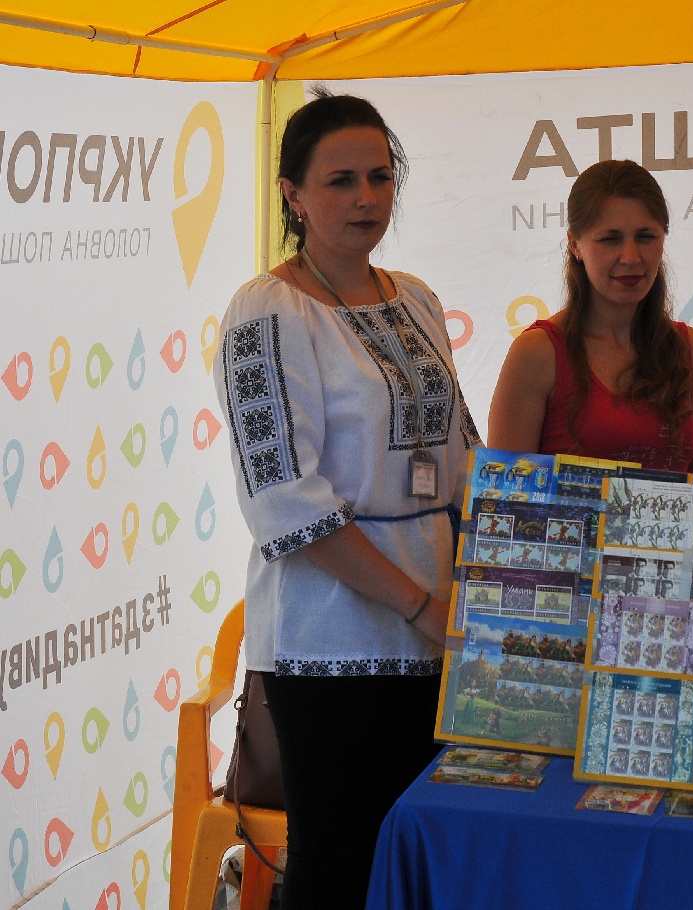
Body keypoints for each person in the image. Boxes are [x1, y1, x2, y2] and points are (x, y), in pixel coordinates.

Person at [213, 92, 480, 910]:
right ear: (293, 194)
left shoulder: (415, 296)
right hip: (329, 634)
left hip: (438, 623)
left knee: (427, 853)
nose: (366, 198)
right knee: (339, 859)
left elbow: (462, 453)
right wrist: (419, 606)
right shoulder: (266, 311)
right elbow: (284, 499)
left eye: (379, 177)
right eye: (340, 181)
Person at [487, 159, 693, 477]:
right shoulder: (537, 352)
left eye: (645, 236)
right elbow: (502, 496)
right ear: (575, 244)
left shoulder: (688, 347)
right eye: (610, 239)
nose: (630, 257)